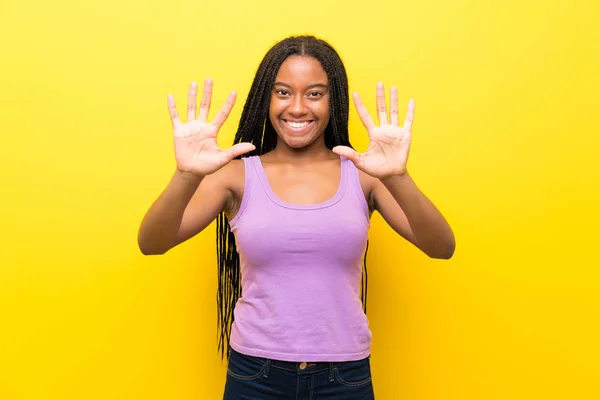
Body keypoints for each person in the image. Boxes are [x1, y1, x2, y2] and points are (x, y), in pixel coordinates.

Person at [138, 35, 455, 399]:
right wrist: (187, 174)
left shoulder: (366, 175)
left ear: (332, 100)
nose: (298, 107)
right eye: (283, 92)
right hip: (256, 375)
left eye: (315, 93)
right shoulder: (234, 176)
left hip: (344, 377)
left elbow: (441, 247)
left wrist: (397, 176)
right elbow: (152, 243)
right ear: (266, 98)